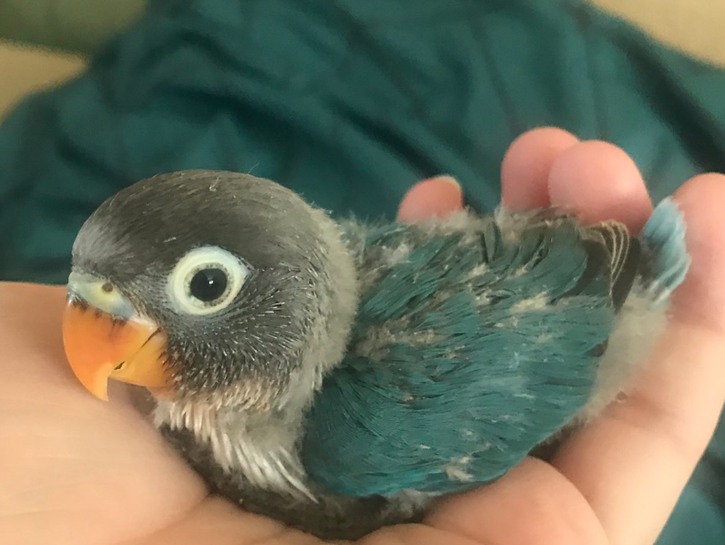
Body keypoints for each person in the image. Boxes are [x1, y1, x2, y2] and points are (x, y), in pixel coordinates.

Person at [1, 127, 723, 545]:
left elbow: (591, 290)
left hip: (588, 297)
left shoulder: (353, 428)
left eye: (208, 285)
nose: (99, 332)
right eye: (89, 291)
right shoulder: (199, 419)